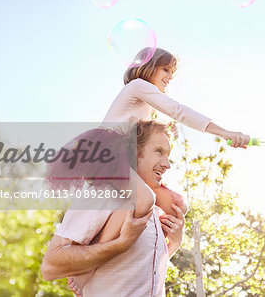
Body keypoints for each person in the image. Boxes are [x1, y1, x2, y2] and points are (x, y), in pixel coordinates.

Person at [47, 46, 251, 295]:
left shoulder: (146, 102)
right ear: (147, 67)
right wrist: (225, 133)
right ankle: (86, 271)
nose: (169, 76)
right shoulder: (138, 87)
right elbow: (179, 110)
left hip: (124, 160)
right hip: (108, 155)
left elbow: (155, 128)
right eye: (166, 69)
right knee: (144, 199)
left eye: (172, 72)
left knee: (177, 205)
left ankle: (148, 252)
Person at [41, 120, 185, 296]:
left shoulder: (155, 209)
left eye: (168, 155)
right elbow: (50, 266)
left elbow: (142, 271)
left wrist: (174, 244)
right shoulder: (104, 194)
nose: (167, 164)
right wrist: (119, 245)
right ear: (135, 152)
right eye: (158, 152)